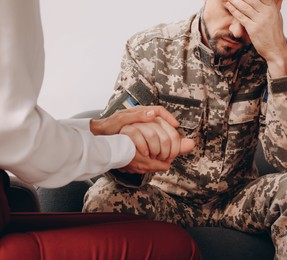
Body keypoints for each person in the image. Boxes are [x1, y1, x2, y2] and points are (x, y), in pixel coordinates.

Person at [83, 0, 287, 259]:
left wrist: (279, 58)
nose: (238, 31)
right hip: (165, 198)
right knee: (104, 197)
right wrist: (136, 154)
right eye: (231, 9)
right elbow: (113, 148)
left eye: (251, 18)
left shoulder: (272, 56)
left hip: (237, 201)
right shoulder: (151, 49)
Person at [0, 0, 194, 188]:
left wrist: (98, 128)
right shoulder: (151, 47)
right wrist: (123, 150)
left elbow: (15, 130)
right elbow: (17, 135)